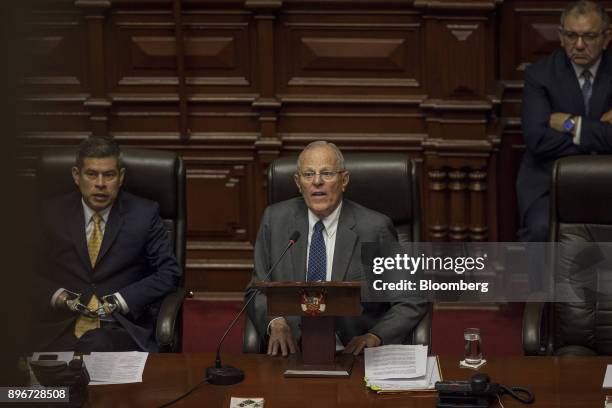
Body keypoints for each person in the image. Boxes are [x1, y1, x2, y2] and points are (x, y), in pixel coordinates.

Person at [246, 141, 427, 357]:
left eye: (327, 173)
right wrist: (275, 322)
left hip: (352, 356)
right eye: (308, 174)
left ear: (344, 180)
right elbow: (257, 290)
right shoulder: (275, 220)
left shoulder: (374, 228)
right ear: (298, 182)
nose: (317, 182)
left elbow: (411, 298)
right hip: (291, 354)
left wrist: (376, 336)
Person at [32, 137, 182, 352]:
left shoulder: (144, 213)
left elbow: (170, 273)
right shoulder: (50, 212)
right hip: (60, 327)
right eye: (91, 174)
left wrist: (120, 300)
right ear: (77, 175)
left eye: (109, 175)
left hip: (118, 327)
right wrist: (60, 297)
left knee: (95, 348)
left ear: (120, 177)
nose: (100, 184)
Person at [518, 0, 612, 242]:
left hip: (607, 180)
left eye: (589, 36)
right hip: (550, 182)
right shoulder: (539, 75)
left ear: (606, 37)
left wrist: (572, 125)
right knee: (539, 229)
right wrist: (601, 134)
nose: (579, 45)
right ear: (560, 37)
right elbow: (537, 140)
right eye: (571, 36)